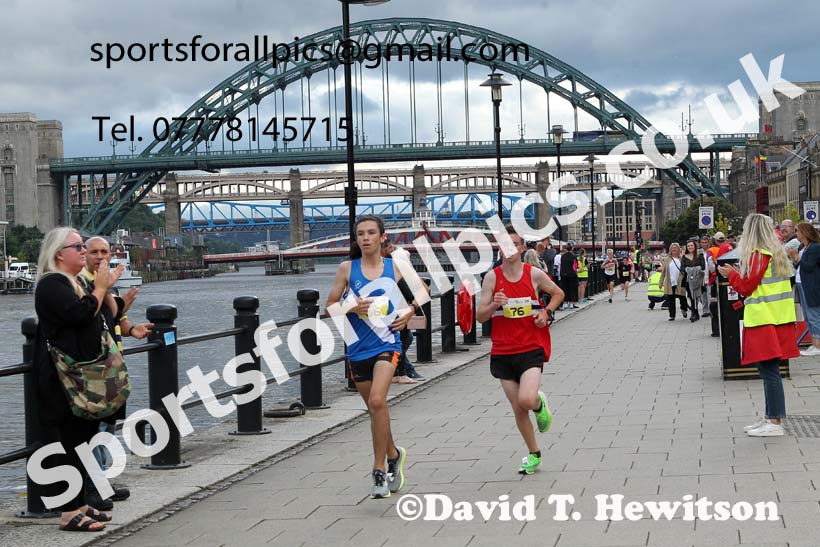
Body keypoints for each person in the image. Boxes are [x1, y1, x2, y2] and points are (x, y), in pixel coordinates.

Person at [33, 227, 124, 532]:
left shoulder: (73, 281)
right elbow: (79, 315)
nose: (84, 251)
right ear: (60, 253)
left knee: (80, 439)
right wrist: (100, 288)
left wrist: (103, 289)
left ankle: (81, 503)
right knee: (66, 442)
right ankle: (69, 512)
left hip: (79, 375)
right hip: (62, 378)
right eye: (79, 247)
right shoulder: (52, 284)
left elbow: (100, 317)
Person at [326, 216, 416, 498]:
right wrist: (351, 307)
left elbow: (422, 293)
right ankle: (394, 454)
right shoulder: (347, 269)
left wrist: (409, 313)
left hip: (387, 343)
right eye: (360, 234)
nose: (365, 238)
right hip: (357, 347)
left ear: (382, 237)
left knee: (378, 401)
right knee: (375, 410)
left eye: (371, 233)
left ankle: (378, 469)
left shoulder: (394, 266)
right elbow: (329, 307)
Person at [476, 226, 563, 475]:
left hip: (530, 345)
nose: (510, 249)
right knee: (518, 408)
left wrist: (546, 312)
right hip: (503, 350)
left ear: (522, 247)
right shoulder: (492, 278)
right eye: (505, 244)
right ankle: (534, 454)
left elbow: (558, 293)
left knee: (526, 399)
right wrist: (494, 304)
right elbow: (480, 316)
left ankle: (539, 403)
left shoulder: (533, 274)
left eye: (514, 244)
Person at [80, 237, 153, 509]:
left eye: (105, 252)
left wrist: (131, 328)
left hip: (112, 368)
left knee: (106, 429)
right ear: (84, 254)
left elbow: (114, 317)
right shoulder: (84, 283)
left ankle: (101, 483)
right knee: (96, 430)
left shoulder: (104, 283)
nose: (100, 256)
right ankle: (94, 488)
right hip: (96, 369)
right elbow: (88, 315)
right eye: (94, 251)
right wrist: (114, 299)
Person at [718, 214, 799, 437]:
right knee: (768, 370)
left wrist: (732, 274)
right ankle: (770, 416)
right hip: (778, 316)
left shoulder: (759, 254)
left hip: (764, 318)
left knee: (769, 371)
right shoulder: (776, 253)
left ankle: (774, 421)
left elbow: (746, 286)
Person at [380, 238, 419, 385]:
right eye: (389, 247)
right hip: (397, 310)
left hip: (389, 311)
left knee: (402, 339)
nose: (391, 250)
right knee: (402, 339)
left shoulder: (387, 266)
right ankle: (400, 372)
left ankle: (399, 371)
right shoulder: (392, 266)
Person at [789, 223, 820, 356]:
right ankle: (814, 342)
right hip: (801, 283)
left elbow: (808, 266)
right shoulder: (802, 247)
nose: (796, 233)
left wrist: (796, 257)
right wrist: (795, 259)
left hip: (811, 285)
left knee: (813, 314)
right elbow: (799, 267)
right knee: (807, 315)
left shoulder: (815, 248)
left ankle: (817, 345)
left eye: (798, 231)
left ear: (805, 233)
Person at [658, 242, 688, 321]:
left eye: (676, 248)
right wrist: (661, 282)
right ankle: (672, 315)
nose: (674, 249)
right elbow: (663, 271)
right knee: (671, 299)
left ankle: (684, 309)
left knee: (682, 297)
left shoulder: (682, 259)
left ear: (679, 249)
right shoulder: (667, 259)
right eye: (672, 248)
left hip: (680, 282)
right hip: (670, 282)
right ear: (670, 250)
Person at [682, 239, 705, 322]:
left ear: (694, 246)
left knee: (697, 296)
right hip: (689, 280)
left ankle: (696, 312)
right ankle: (694, 313)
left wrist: (694, 269)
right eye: (688, 246)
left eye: (691, 245)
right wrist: (689, 270)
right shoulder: (684, 257)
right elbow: (682, 268)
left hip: (698, 280)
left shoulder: (700, 255)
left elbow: (703, 266)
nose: (690, 247)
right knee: (691, 297)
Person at [559, 244, 578, 309]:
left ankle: (565, 303)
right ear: (572, 248)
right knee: (572, 289)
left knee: (565, 288)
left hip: (563, 274)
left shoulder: (563, 256)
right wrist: (576, 273)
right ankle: (571, 303)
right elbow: (575, 266)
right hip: (571, 274)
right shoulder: (573, 256)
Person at [699, 236, 712, 317]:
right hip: (701, 276)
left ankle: (710, 310)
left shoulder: (710, 251)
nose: (704, 244)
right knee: (703, 294)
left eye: (705, 243)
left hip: (709, 274)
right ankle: (705, 310)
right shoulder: (699, 253)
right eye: (703, 243)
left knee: (709, 294)